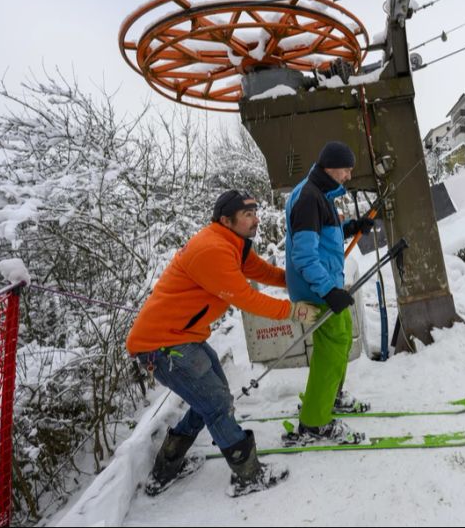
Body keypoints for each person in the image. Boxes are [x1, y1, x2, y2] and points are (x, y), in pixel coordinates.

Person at [126, 190, 321, 497]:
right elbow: (245, 297)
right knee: (215, 403)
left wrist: (294, 281)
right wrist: (293, 311)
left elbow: (260, 271)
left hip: (183, 338)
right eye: (248, 215)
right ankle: (248, 474)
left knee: (212, 399)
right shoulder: (212, 250)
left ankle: (166, 469)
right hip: (162, 346)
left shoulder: (232, 243)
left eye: (255, 212)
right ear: (227, 220)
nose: (256, 219)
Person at [283, 141, 374, 446]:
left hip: (324, 283)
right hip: (317, 287)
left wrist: (352, 226)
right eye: (347, 169)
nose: (349, 175)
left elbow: (323, 235)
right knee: (332, 346)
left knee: (343, 335)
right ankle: (314, 422)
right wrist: (329, 290)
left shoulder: (317, 193)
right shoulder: (309, 197)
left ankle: (329, 397)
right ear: (332, 166)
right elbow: (305, 256)